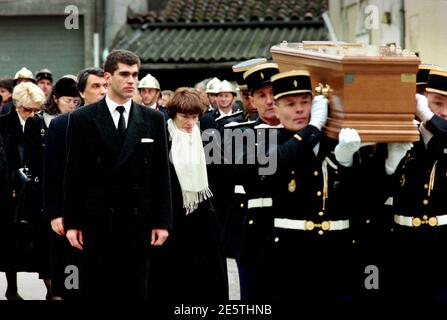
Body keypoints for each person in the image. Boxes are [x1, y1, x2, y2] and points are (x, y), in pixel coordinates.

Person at [63, 50, 172, 300]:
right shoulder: (82, 119)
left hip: (138, 222)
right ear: (108, 77)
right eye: (124, 74)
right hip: (97, 221)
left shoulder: (153, 119)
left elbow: (161, 174)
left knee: (135, 289)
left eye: (135, 74)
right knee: (98, 290)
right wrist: (73, 223)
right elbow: (74, 174)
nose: (131, 80)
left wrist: (162, 221)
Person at [267, 70, 354, 301]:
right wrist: (313, 127)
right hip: (292, 254)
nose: (299, 109)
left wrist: (346, 162)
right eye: (290, 103)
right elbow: (276, 163)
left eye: (305, 102)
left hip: (337, 252)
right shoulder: (267, 141)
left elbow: (362, 195)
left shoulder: (337, 141)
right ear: (275, 110)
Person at [150, 87, 228, 301]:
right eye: (185, 117)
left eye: (194, 117)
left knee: (206, 282)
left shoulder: (205, 139)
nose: (190, 122)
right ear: (174, 113)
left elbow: (220, 179)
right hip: (172, 219)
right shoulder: (162, 137)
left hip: (203, 218)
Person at [43, 68, 106, 300]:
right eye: (96, 86)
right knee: (73, 280)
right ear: (81, 92)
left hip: (109, 213)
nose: (102, 91)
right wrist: (55, 213)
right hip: (73, 212)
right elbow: (52, 172)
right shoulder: (61, 125)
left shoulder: (121, 122)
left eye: (105, 86)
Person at [386, 69, 447, 301]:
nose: (444, 113)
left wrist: (429, 118)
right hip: (401, 243)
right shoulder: (403, 136)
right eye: (437, 104)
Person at [23, 77, 81, 300]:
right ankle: (52, 290)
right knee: (47, 249)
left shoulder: (78, 120)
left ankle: (67, 289)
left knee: (69, 250)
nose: (72, 105)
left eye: (76, 101)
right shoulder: (38, 122)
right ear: (55, 99)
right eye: (68, 100)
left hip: (71, 194)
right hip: (45, 193)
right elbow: (32, 158)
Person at [0, 82, 46, 300]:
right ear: (17, 105)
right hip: (9, 191)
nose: (32, 114)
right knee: (10, 240)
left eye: (36, 110)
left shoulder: (38, 123)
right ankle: (12, 287)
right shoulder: (4, 125)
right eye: (28, 109)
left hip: (33, 188)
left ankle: (52, 288)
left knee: (37, 240)